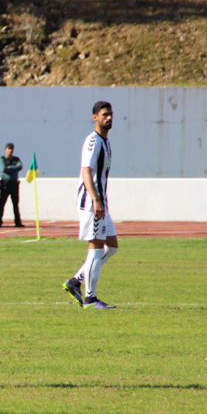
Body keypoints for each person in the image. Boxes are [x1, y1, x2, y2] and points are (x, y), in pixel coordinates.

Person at [63, 101, 118, 310]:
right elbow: (86, 171)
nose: (109, 118)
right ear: (95, 117)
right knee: (95, 248)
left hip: (100, 203)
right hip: (91, 203)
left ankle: (75, 281)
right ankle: (90, 298)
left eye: (111, 114)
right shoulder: (93, 141)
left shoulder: (106, 142)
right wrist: (95, 199)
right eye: (105, 115)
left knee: (111, 247)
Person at [0, 142, 23, 227]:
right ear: (5, 150)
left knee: (15, 204)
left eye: (11, 149)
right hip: (5, 184)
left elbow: (20, 167)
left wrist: (11, 167)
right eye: (8, 149)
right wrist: (14, 169)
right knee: (2, 204)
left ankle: (17, 222)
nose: (10, 151)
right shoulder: (2, 159)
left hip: (14, 184)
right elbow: (3, 168)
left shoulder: (16, 159)